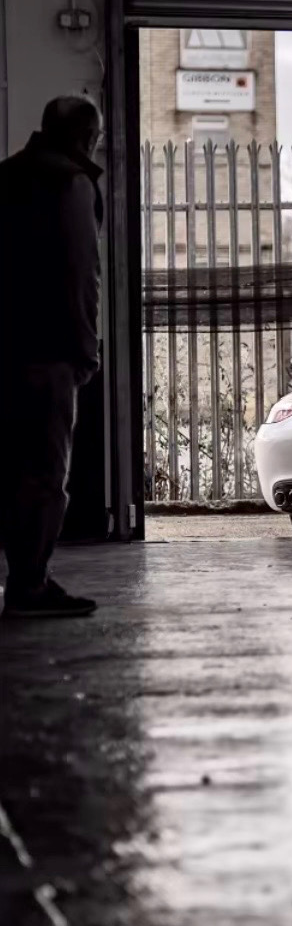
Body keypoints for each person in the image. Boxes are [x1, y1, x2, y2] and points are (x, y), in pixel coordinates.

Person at [0, 96, 104, 619]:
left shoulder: (6, 176)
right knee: (43, 473)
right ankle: (29, 584)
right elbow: (81, 274)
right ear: (88, 137)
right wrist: (85, 350)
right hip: (48, 351)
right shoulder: (72, 184)